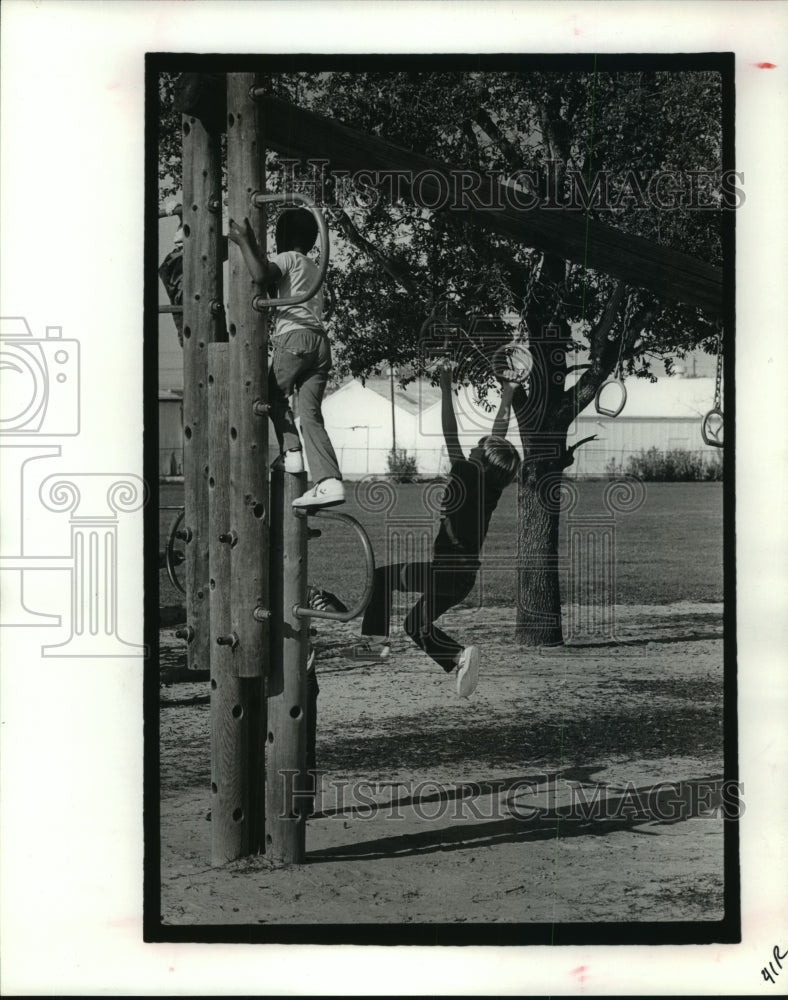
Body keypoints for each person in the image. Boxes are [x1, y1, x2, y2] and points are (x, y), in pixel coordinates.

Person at [356, 365, 521, 698]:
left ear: (482, 460)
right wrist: (507, 395)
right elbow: (498, 436)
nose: (472, 449)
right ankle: (459, 656)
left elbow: (451, 433)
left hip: (446, 573)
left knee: (383, 578)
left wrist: (446, 388)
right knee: (414, 626)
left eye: (478, 449)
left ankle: (374, 646)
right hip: (461, 578)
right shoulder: (492, 486)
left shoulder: (468, 474)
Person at [227, 208, 344, 509]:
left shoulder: (289, 259)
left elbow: (262, 274)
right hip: (320, 344)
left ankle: (292, 455)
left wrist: (243, 242)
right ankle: (329, 481)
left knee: (274, 396)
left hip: (294, 339)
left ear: (284, 237)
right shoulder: (314, 268)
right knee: (311, 413)